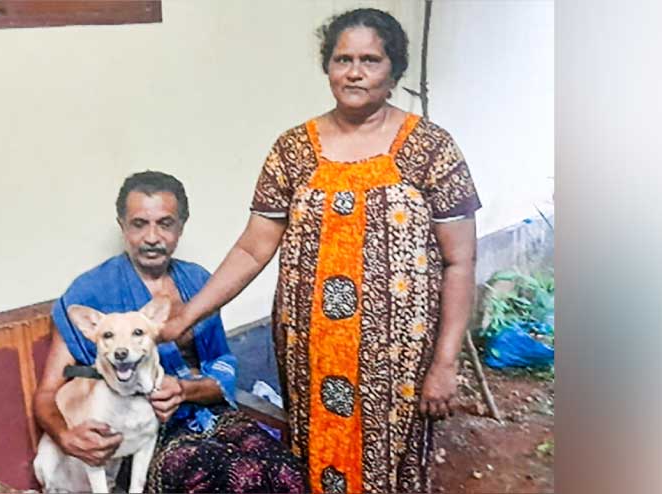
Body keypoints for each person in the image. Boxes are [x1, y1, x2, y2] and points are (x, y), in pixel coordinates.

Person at [159, 8, 482, 494]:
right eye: (342, 59)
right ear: (327, 66)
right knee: (316, 459)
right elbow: (252, 248)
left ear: (394, 70)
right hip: (311, 354)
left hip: (397, 358)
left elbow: (460, 261)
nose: (354, 72)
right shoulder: (293, 150)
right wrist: (188, 315)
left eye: (370, 60)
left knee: (389, 467)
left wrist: (445, 361)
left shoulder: (431, 149)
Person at [33, 171, 306, 493]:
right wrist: (66, 437)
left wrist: (186, 390)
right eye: (139, 224)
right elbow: (48, 392)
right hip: (140, 435)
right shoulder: (90, 293)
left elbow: (223, 365)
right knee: (237, 478)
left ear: (180, 227)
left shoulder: (199, 283)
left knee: (286, 472)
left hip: (208, 413)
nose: (152, 237)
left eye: (165, 223)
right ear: (123, 226)